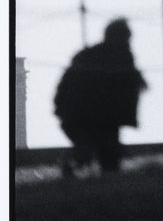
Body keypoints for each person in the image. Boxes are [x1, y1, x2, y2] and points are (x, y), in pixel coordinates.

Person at [54, 18, 147, 175]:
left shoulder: (87, 55)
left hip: (77, 115)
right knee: (106, 157)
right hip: (95, 117)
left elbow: (64, 88)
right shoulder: (120, 57)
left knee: (98, 151)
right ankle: (78, 163)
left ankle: (76, 164)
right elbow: (124, 91)